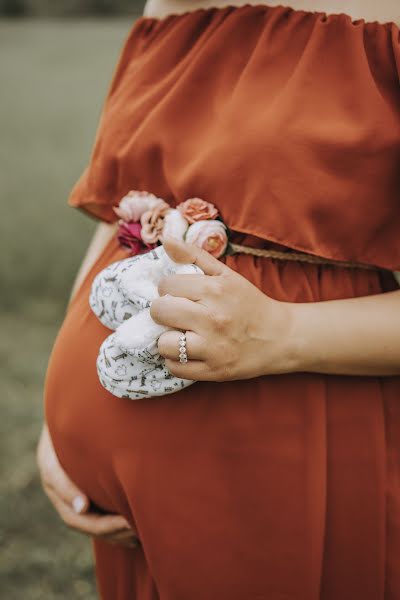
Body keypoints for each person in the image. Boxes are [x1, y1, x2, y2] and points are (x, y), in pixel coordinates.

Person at [37, 0, 400, 598]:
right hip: (122, 508)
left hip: (283, 478)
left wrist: (279, 334)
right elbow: (121, 212)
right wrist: (61, 427)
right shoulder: (169, 7)